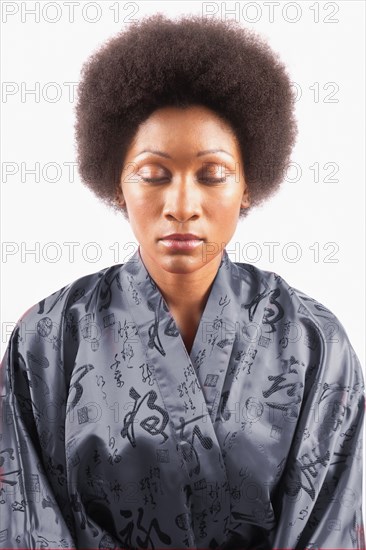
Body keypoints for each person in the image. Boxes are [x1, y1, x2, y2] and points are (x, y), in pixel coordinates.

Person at [0, 13, 364, 550]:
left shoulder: (314, 342)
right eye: (154, 174)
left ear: (248, 185)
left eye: (212, 174)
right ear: (118, 185)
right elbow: (27, 519)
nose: (182, 206)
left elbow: (331, 524)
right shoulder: (50, 338)